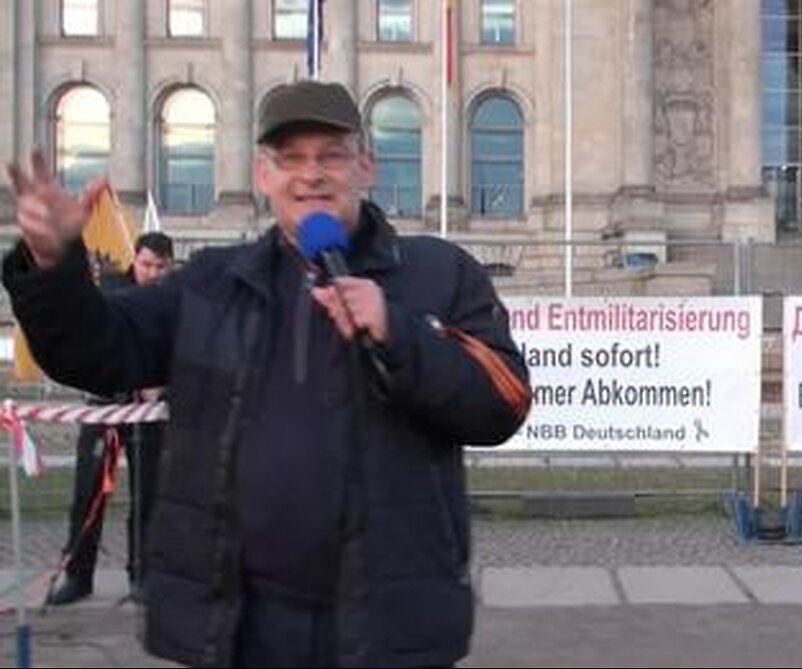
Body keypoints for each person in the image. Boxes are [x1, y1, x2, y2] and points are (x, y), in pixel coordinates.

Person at [4, 80, 531, 668]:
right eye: (291, 158)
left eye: (331, 155)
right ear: (262, 175)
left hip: (387, 627)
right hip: (240, 628)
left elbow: (503, 401)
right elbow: (97, 351)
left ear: (365, 166)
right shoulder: (211, 284)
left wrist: (398, 331)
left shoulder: (438, 274)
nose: (312, 174)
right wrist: (53, 268)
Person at [45, 231, 174, 606]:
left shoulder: (175, 300)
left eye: (160, 267)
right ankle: (77, 574)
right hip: (105, 404)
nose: (152, 273)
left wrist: (162, 389)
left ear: (170, 266)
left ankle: (144, 575)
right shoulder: (111, 290)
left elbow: (185, 352)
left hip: (150, 412)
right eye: (147, 264)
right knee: (88, 491)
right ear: (135, 260)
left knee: (148, 493)